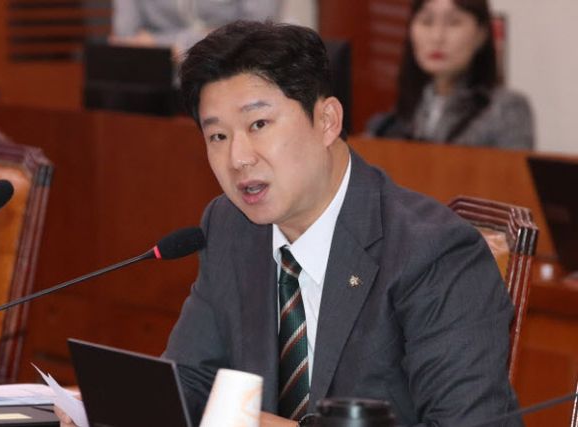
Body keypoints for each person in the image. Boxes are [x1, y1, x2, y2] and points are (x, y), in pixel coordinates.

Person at [58, 20, 521, 427]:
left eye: (259, 124)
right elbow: (194, 378)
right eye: (217, 135)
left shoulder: (433, 253)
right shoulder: (231, 226)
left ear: (327, 120)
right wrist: (110, 407)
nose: (238, 158)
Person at [368, 0, 535, 150]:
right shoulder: (396, 118)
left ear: (481, 34)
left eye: (453, 23)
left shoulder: (506, 109)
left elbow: (511, 174)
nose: (437, 37)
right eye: (427, 22)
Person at [111, 0, 281, 54]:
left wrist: (165, 43)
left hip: (232, 67)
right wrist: (207, 35)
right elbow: (125, 39)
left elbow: (255, 31)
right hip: (159, 81)